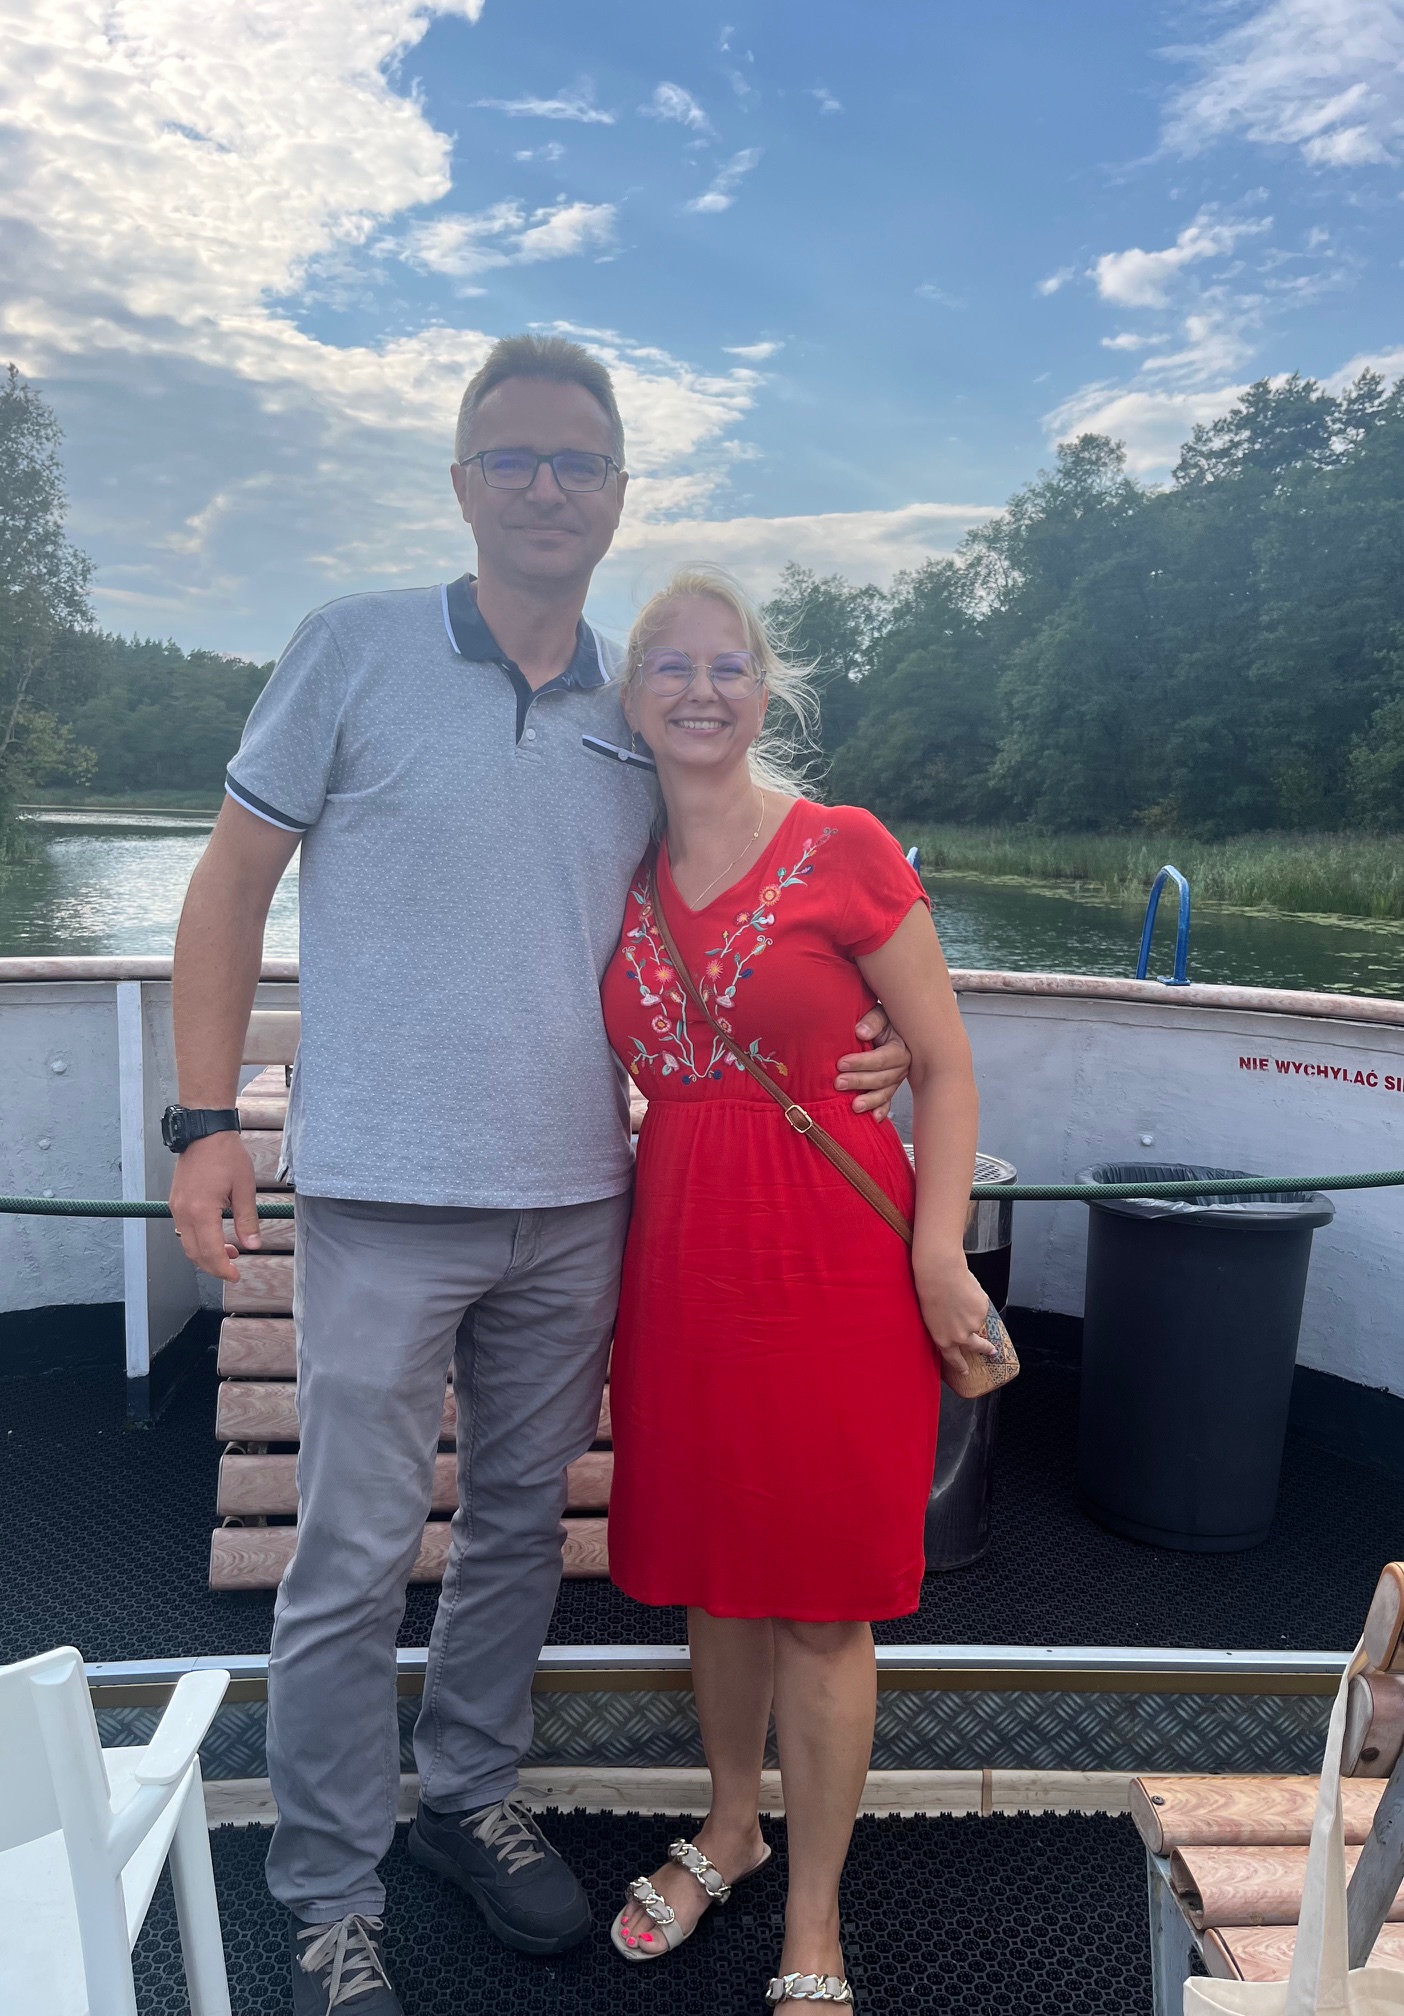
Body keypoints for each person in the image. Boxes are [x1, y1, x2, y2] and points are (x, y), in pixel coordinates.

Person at [166, 335, 911, 2016]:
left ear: (619, 495)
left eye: (578, 462)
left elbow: (760, 870)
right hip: (379, 1195)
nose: (545, 488)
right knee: (353, 1554)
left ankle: (468, 1798)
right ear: (461, 482)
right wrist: (202, 1120)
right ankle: (330, 1888)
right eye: (512, 458)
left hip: (580, 1201)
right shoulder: (350, 648)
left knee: (514, 1530)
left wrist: (875, 1034)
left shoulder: (637, 710)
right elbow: (228, 883)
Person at [599, 569, 994, 2011]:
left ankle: (813, 1916)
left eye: (729, 666)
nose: (701, 690)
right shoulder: (615, 865)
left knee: (823, 1599)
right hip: (683, 1263)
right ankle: (731, 1827)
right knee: (718, 1573)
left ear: (767, 692)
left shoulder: (843, 846)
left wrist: (939, 1253)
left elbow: (943, 1064)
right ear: (633, 696)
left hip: (834, 1263)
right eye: (670, 665)